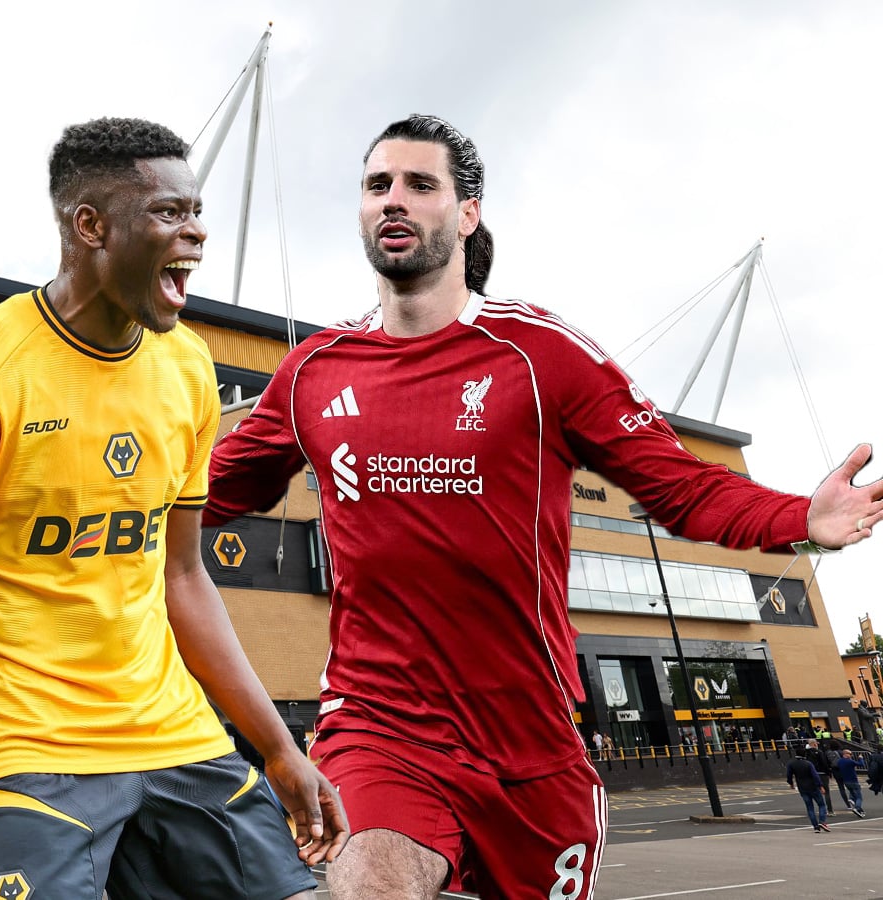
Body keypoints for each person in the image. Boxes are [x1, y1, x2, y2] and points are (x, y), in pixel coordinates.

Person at [204, 112, 883, 899]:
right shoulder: (315, 372)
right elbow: (196, 496)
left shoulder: (541, 356)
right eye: (377, 184)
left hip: (531, 745)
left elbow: (680, 485)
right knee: (368, 884)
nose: (393, 198)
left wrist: (800, 519)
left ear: (467, 213)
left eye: (419, 184)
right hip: (380, 725)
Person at [0, 117, 347, 900]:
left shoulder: (187, 368)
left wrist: (278, 747)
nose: (196, 231)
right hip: (25, 747)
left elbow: (184, 576)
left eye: (198, 212)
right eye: (168, 211)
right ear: (90, 226)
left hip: (175, 734)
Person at [787, 750, 832, 833]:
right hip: (813, 787)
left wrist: (791, 783)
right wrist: (820, 786)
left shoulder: (792, 764)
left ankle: (815, 827)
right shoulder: (808, 763)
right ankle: (822, 821)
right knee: (821, 805)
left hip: (802, 788)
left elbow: (789, 775)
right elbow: (815, 775)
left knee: (810, 807)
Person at [835, 749, 867, 817]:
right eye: (850, 754)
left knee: (853, 793)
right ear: (845, 754)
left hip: (846, 781)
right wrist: (860, 758)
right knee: (859, 797)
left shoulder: (839, 761)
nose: (851, 755)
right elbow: (861, 764)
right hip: (853, 781)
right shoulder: (850, 761)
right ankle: (857, 808)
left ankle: (852, 800)